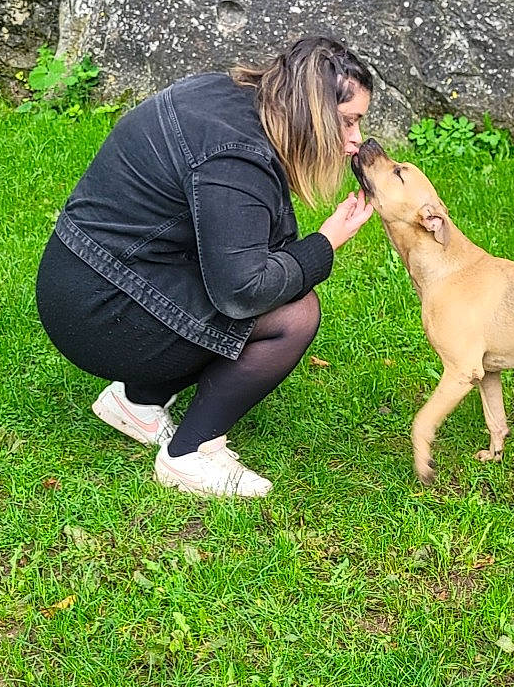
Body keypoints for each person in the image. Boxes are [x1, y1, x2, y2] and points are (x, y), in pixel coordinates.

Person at [35, 33, 374, 499]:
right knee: (294, 315)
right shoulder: (238, 157)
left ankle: (138, 402)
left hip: (81, 276)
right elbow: (244, 290)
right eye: (349, 122)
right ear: (310, 110)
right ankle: (190, 454)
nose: (356, 141)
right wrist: (326, 244)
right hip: (100, 309)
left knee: (259, 287)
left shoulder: (225, 95)